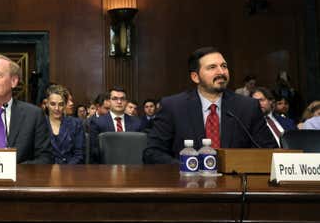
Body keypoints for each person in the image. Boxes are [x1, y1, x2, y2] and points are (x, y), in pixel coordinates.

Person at [143, 47, 277, 164]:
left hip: (235, 185)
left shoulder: (247, 107)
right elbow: (153, 152)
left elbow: (269, 150)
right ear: (195, 77)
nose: (221, 72)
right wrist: (187, 167)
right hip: (187, 185)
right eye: (212, 67)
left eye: (224, 66)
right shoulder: (173, 106)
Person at [88, 87, 142, 163]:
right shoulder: (97, 122)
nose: (119, 102)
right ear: (109, 101)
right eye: (115, 98)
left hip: (131, 167)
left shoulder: (137, 123)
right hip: (106, 168)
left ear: (126, 102)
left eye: (122, 99)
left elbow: (139, 150)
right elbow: (94, 152)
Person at [45, 85, 84, 164]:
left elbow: (79, 155)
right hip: (46, 171)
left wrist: (66, 171)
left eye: (61, 104)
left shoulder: (76, 124)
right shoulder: (40, 124)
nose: (57, 108)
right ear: (46, 104)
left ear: (65, 104)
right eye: (53, 104)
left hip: (70, 170)